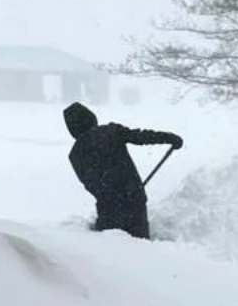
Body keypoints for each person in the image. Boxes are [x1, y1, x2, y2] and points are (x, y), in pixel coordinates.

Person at [63, 102, 183, 239]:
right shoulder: (110, 131)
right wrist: (168, 138)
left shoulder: (75, 154)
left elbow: (90, 184)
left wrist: (110, 194)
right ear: (92, 118)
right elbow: (140, 137)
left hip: (108, 208)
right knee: (142, 246)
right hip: (133, 199)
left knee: (112, 251)